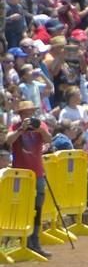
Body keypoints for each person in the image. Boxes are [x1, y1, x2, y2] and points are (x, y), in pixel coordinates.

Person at [5, 100, 53, 257]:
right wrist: (20, 129)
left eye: (30, 112)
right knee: (21, 207)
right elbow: (8, 140)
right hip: (20, 175)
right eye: (26, 113)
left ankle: (35, 242)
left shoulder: (40, 124)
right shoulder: (16, 127)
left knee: (37, 207)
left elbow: (48, 140)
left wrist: (38, 129)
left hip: (37, 173)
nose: (29, 116)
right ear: (20, 115)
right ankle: (22, 241)